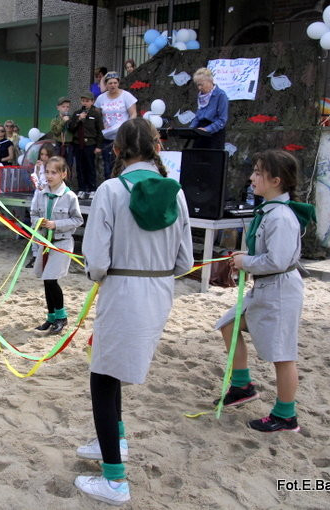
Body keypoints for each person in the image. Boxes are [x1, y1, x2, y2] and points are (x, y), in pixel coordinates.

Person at [74, 118, 193, 506]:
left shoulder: (110, 189)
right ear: (156, 146)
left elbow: (96, 261)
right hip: (159, 289)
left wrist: (103, 271)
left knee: (103, 376)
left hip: (123, 288)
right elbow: (184, 261)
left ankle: (115, 480)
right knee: (113, 368)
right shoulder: (176, 194)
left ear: (118, 149)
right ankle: (116, 442)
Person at [213, 149, 314, 433]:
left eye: (259, 173)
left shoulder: (281, 216)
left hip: (279, 290)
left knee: (282, 354)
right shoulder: (270, 211)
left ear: (277, 180)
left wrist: (246, 261)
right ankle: (243, 386)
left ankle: (285, 415)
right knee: (229, 324)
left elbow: (278, 260)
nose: (252, 177)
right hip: (265, 287)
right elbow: (268, 254)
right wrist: (245, 260)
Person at [29, 155, 83, 334]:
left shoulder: (69, 196)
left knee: (52, 279)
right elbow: (33, 214)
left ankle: (62, 316)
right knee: (46, 280)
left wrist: (56, 224)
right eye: (47, 172)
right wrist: (39, 222)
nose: (49, 176)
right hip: (44, 243)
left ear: (63, 174)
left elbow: (77, 219)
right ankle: (51, 317)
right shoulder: (41, 193)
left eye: (54, 172)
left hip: (61, 243)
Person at [96, 71, 137, 180]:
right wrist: (101, 125)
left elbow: (133, 113)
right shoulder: (101, 98)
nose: (113, 85)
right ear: (106, 84)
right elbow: (96, 114)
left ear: (118, 83)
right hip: (107, 136)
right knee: (108, 164)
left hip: (122, 136)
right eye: (110, 83)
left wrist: (127, 127)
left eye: (115, 83)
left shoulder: (126, 96)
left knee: (123, 162)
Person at [68, 91, 104, 200]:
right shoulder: (77, 113)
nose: (85, 103)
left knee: (90, 167)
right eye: (83, 101)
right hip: (78, 144)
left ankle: (92, 188)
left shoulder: (96, 114)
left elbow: (100, 131)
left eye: (87, 101)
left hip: (90, 144)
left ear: (92, 102)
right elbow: (71, 128)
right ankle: (82, 188)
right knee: (79, 167)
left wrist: (98, 146)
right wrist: (79, 119)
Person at [190, 67, 229, 150]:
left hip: (215, 134)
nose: (199, 88)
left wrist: (207, 129)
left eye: (201, 84)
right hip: (200, 132)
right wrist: (191, 130)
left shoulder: (221, 95)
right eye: (197, 85)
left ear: (210, 81)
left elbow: (222, 120)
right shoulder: (200, 96)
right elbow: (198, 116)